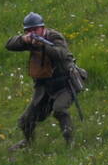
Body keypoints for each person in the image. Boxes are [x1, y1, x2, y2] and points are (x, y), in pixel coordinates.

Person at [6, 12, 85, 150]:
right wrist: (24, 40)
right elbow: (9, 45)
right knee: (25, 120)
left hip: (65, 84)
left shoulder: (54, 36)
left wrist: (43, 45)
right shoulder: (30, 40)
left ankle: (70, 142)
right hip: (45, 87)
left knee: (59, 110)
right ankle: (29, 144)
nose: (32, 33)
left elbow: (61, 54)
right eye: (29, 30)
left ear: (42, 28)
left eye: (35, 29)